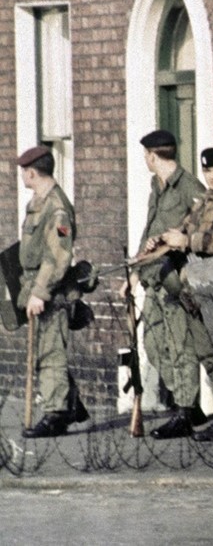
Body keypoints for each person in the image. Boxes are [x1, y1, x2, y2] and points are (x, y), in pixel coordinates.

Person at [158, 147, 213, 443]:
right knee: (207, 353)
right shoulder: (203, 202)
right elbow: (184, 228)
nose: (212, 177)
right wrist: (166, 239)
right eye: (208, 171)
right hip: (195, 286)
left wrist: (188, 240)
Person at [131, 130, 207, 439]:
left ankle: (186, 410)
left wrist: (181, 242)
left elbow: (203, 232)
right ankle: (185, 400)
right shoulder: (156, 186)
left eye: (146, 156)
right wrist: (135, 270)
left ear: (152, 156)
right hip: (152, 277)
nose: (146, 161)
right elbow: (150, 229)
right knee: (151, 343)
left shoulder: (190, 188)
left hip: (176, 281)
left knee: (180, 346)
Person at [17, 146, 89, 438]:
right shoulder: (37, 203)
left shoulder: (57, 208)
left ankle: (56, 414)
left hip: (52, 291)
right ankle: (71, 404)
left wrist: (40, 292)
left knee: (50, 353)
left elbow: (58, 256)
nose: (23, 175)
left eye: (24, 171)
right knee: (43, 351)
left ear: (32, 172)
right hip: (34, 284)